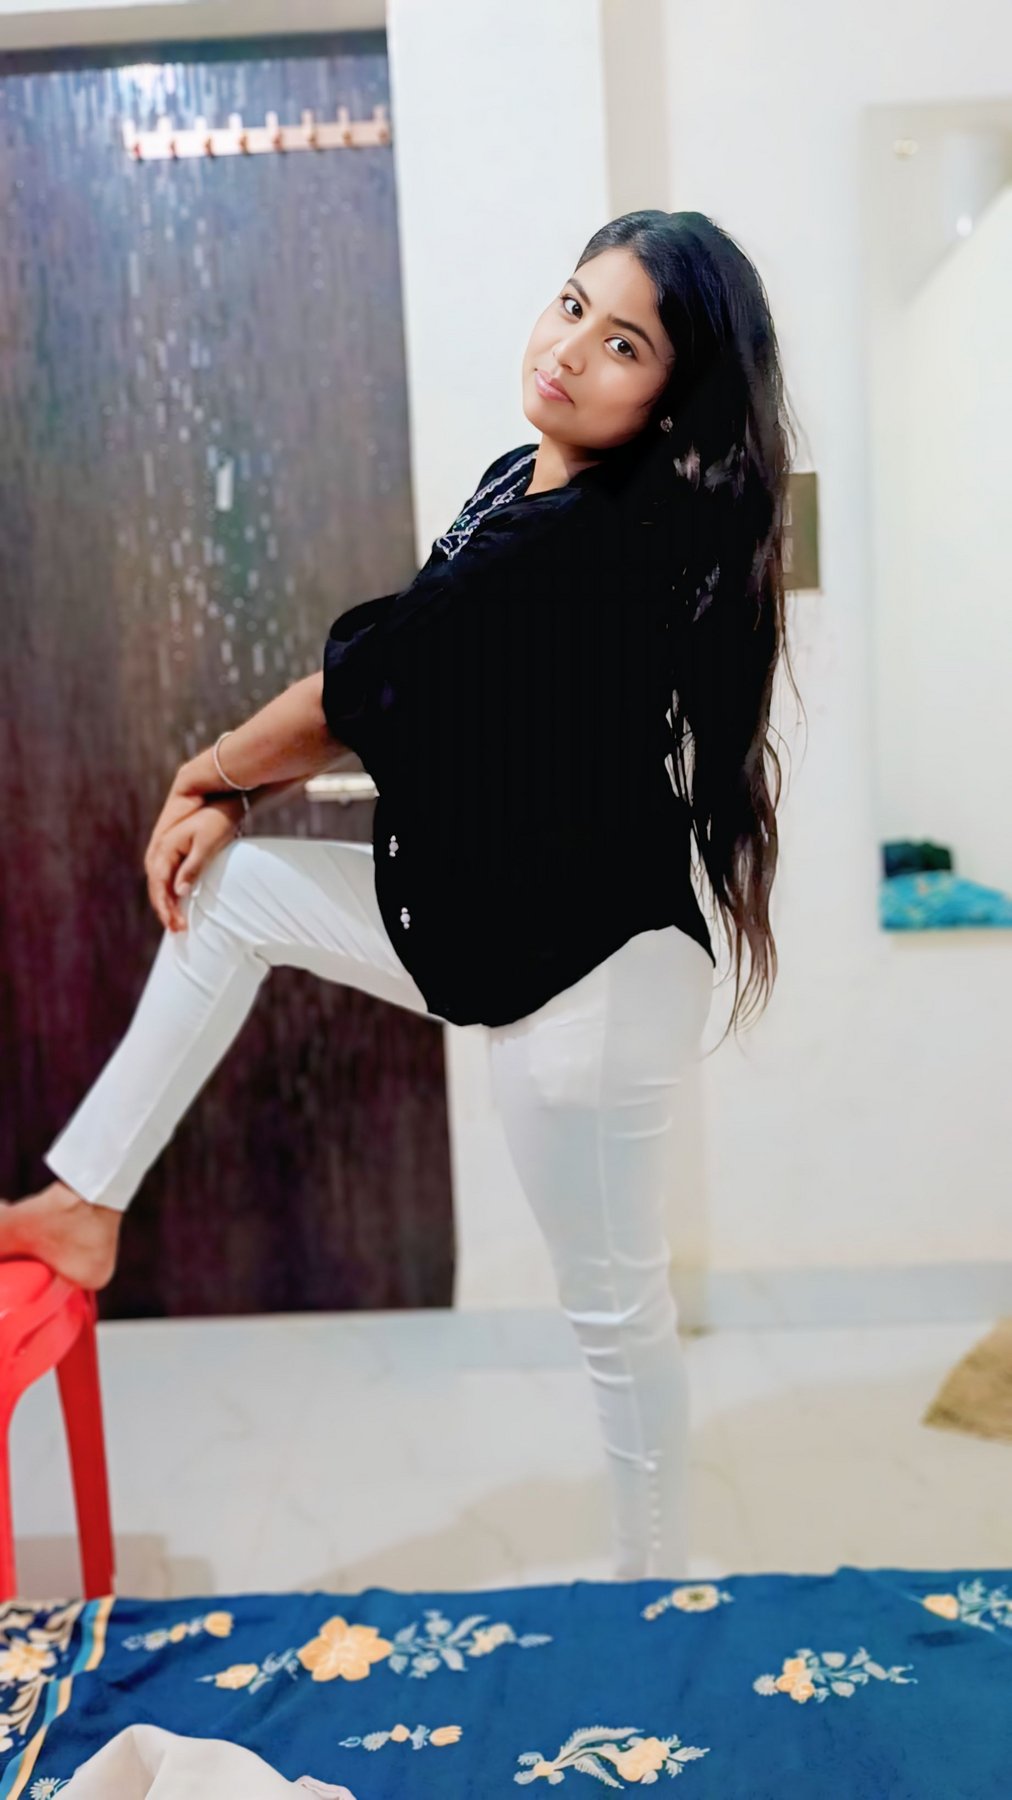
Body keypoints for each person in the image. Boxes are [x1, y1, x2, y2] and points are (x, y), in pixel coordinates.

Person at [0, 209, 802, 1580]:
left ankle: (656, 1605)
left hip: (592, 979)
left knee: (615, 1318)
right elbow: (429, 704)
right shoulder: (517, 483)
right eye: (571, 305)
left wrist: (211, 772)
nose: (569, 351)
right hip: (490, 915)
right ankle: (85, 1201)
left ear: (670, 398)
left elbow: (364, 687)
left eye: (624, 346)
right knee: (236, 893)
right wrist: (240, 806)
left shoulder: (590, 540)